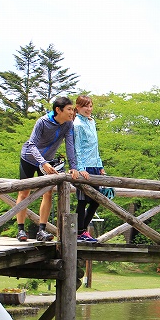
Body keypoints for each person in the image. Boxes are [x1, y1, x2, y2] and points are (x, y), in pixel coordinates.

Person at [15, 96, 81, 242]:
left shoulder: (68, 125)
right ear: (58, 110)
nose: (72, 112)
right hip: (29, 158)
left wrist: (74, 167)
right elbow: (31, 145)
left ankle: (42, 230)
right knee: (24, 192)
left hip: (48, 161)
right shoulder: (42, 122)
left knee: (48, 193)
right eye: (69, 109)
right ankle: (20, 230)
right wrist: (43, 162)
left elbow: (70, 146)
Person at [73, 95, 104, 243]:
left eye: (91, 106)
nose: (89, 109)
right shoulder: (77, 124)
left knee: (97, 199)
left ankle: (82, 230)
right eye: (86, 106)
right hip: (84, 166)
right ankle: (79, 233)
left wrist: (100, 165)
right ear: (78, 107)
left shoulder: (92, 122)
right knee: (82, 200)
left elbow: (95, 147)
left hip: (95, 166)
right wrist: (80, 168)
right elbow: (77, 148)